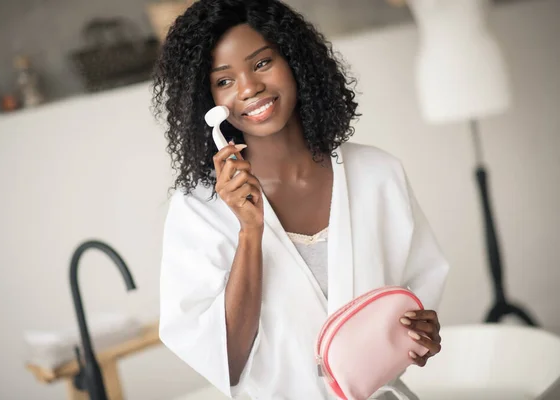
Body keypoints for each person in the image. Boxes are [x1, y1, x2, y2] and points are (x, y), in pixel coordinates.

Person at [153, 0, 450, 398]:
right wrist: (249, 231)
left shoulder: (378, 174)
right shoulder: (198, 211)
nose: (249, 87)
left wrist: (420, 335)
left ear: (294, 60)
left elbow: (413, 301)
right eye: (224, 81)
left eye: (261, 63)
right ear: (207, 101)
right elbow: (228, 361)